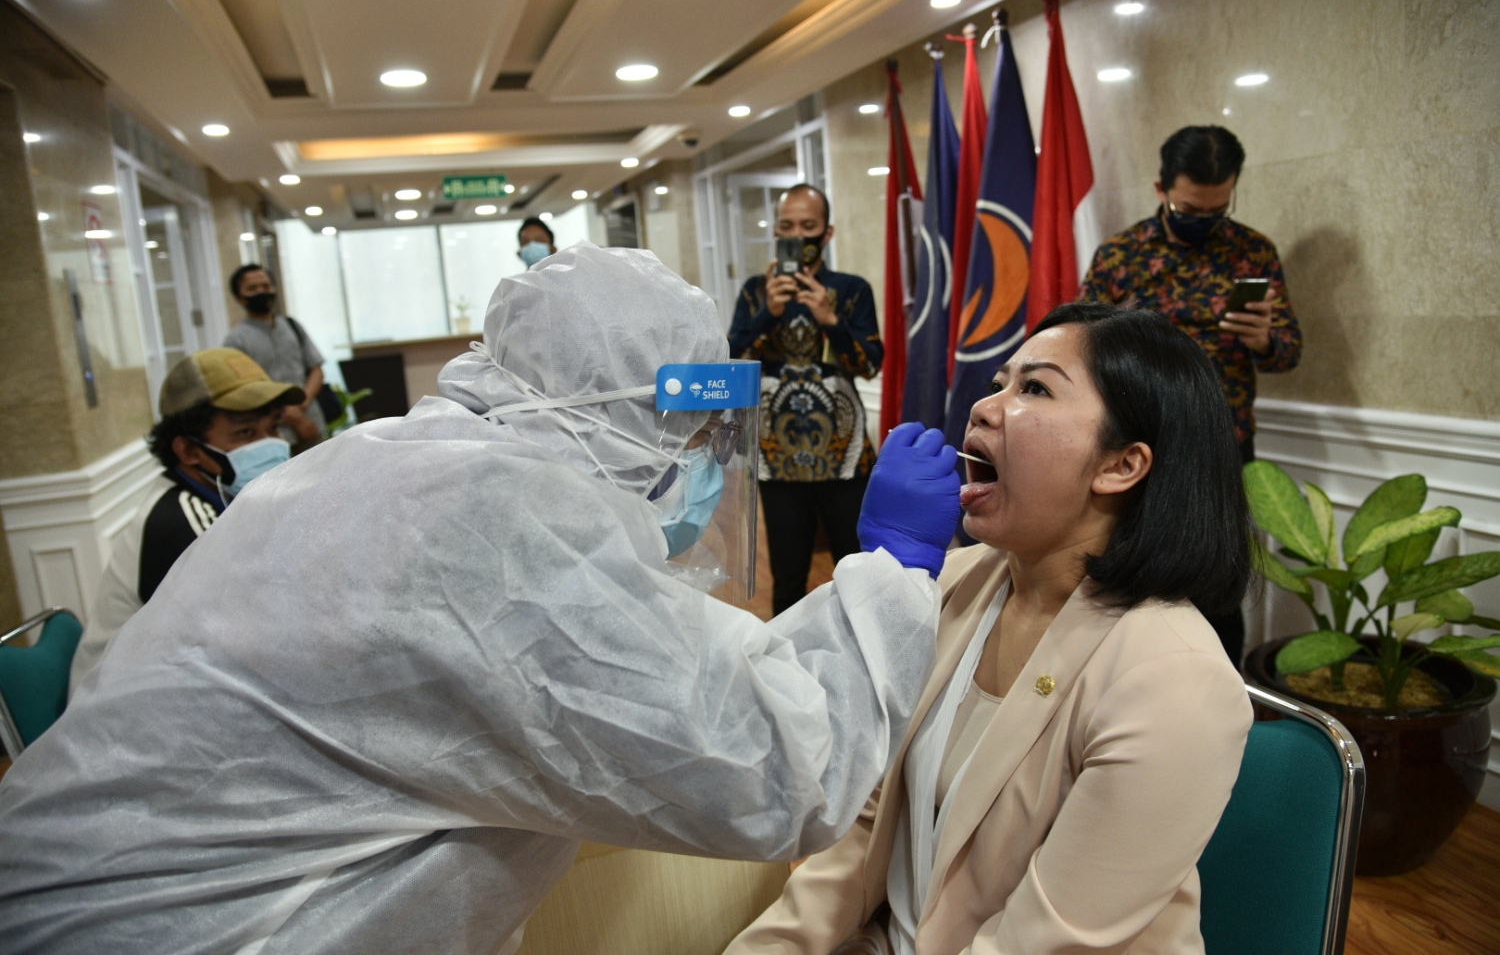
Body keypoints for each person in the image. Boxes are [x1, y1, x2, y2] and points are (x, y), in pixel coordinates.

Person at [0, 243, 961, 955]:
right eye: (691, 428)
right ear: (610, 413)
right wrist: (895, 570)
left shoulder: (398, 458)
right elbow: (774, 773)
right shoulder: (503, 530)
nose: (704, 461)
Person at [725, 303, 1254, 955]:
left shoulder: (1174, 681)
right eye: (999, 381)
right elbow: (866, 829)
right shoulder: (953, 583)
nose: (984, 407)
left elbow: (1046, 942)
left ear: (1121, 466)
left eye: (1034, 388)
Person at [1079, 125, 1302, 664]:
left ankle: (1225, 704)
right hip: (1138, 448)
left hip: (1222, 445)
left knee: (1218, 586)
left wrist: (1263, 339)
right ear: (1161, 189)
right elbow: (1079, 348)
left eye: (1215, 213)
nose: (1201, 224)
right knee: (1128, 579)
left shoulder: (1253, 252)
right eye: (1187, 211)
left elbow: (1289, 350)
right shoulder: (1122, 255)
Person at [68, 349, 303, 696]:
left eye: (273, 428)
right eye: (246, 433)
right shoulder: (182, 522)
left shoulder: (224, 495)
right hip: (120, 715)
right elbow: (257, 635)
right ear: (189, 451)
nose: (269, 445)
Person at [727, 183, 884, 616]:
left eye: (808, 227)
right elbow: (732, 360)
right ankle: (786, 672)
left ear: (827, 234)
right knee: (788, 579)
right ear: (777, 233)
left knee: (858, 573)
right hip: (778, 458)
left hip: (844, 454)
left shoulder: (851, 290)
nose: (798, 236)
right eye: (787, 227)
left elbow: (870, 363)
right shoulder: (756, 292)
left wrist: (832, 320)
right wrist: (767, 314)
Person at [223, 263, 327, 450]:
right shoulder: (236, 341)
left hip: (312, 424)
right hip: (272, 435)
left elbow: (316, 370)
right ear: (240, 298)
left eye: (266, 286)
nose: (262, 292)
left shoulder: (292, 326)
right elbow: (245, 389)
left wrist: (301, 407)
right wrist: (291, 416)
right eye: (252, 288)